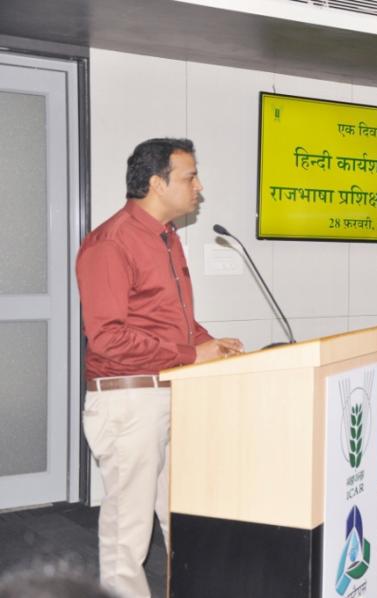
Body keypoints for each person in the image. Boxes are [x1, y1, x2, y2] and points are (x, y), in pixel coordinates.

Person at [76, 138, 244, 598]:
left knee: (182, 514)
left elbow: (172, 322)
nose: (199, 186)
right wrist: (192, 354)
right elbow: (107, 337)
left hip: (170, 392)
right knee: (127, 530)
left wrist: (209, 342)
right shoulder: (111, 243)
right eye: (190, 177)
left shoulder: (166, 238)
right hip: (128, 401)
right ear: (157, 183)